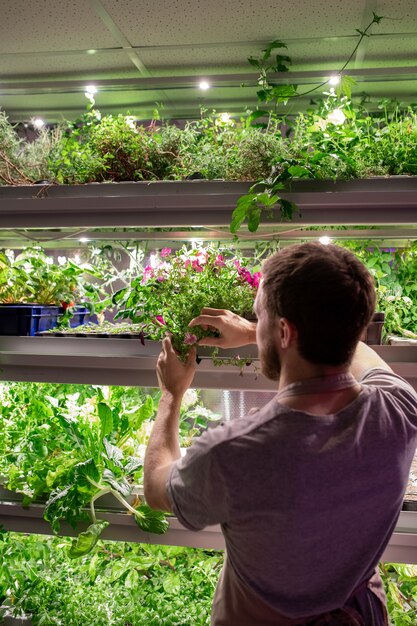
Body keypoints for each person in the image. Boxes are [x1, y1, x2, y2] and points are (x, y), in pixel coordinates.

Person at [143, 242, 417, 626]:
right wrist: (264, 329)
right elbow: (353, 347)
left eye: (259, 314)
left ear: (286, 331)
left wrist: (171, 395)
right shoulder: (399, 410)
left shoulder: (235, 451)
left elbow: (157, 490)